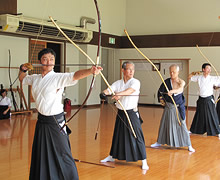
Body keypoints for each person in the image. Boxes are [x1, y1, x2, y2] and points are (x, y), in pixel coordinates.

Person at [19, 48, 102, 180]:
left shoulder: (58, 77)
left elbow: (75, 75)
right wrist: (22, 69)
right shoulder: (35, 78)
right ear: (39, 61)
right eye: (45, 59)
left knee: (63, 154)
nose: (48, 62)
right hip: (42, 122)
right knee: (42, 153)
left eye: (52, 59)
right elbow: (22, 79)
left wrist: (90, 71)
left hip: (56, 122)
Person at [99, 61, 149, 170]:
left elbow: (130, 91)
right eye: (129, 69)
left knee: (137, 135)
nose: (131, 71)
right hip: (121, 112)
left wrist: (119, 94)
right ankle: (112, 156)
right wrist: (103, 93)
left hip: (131, 113)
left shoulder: (135, 82)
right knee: (118, 135)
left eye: (133, 69)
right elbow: (109, 89)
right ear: (123, 70)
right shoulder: (118, 83)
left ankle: (144, 160)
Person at [151, 64, 195, 152]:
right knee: (164, 125)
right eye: (170, 72)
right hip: (168, 107)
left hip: (178, 108)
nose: (171, 73)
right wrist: (162, 100)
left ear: (178, 72)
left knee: (182, 125)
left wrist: (172, 91)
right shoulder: (166, 82)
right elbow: (160, 92)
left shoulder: (181, 81)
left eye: (174, 72)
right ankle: (159, 142)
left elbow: (180, 89)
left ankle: (189, 145)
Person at [189, 63, 220, 137]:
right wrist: (194, 73)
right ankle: (194, 130)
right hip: (201, 99)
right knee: (199, 114)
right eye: (208, 68)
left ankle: (217, 132)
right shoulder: (199, 77)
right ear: (203, 69)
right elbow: (189, 77)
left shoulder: (213, 78)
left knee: (212, 115)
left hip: (209, 99)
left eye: (210, 69)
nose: (209, 70)